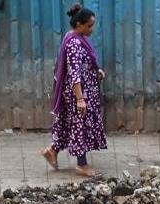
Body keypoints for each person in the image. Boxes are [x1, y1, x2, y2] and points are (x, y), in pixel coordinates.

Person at [42, 4, 108, 178]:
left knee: (68, 123)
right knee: (80, 125)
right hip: (78, 93)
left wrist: (96, 70)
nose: (92, 29)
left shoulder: (77, 38)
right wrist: (80, 99)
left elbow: (86, 63)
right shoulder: (74, 44)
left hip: (82, 91)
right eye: (89, 26)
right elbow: (74, 73)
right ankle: (81, 165)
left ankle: (53, 151)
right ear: (79, 24)